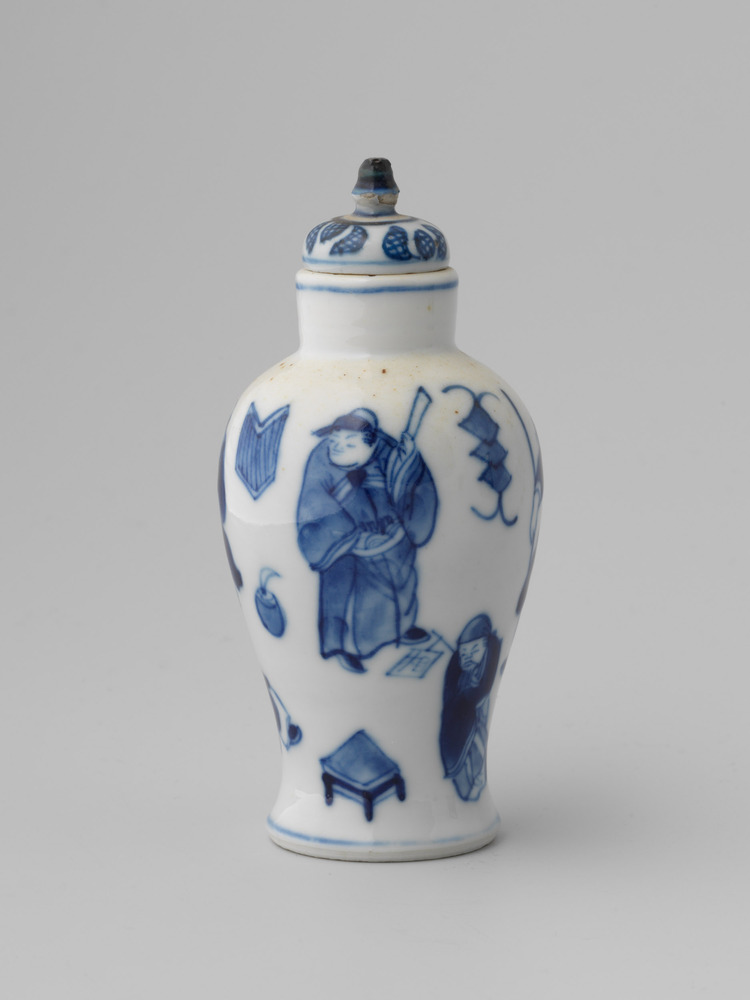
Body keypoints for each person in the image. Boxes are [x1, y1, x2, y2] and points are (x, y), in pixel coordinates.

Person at [297, 407, 438, 672]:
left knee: (401, 569)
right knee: (345, 581)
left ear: (371, 444)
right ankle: (343, 646)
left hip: (389, 533)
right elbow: (314, 507)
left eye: (350, 443)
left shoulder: (387, 449)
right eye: (335, 440)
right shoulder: (320, 459)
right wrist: (353, 537)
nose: (339, 447)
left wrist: (409, 461)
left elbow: (409, 483)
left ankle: (399, 627)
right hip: (343, 542)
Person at [439, 614, 501, 801]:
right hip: (459, 721)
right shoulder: (461, 674)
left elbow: (480, 695)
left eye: (474, 650)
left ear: (486, 647)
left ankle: (474, 790)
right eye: (463, 654)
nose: (468, 657)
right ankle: (469, 793)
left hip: (474, 722)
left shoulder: (484, 671)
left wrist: (472, 690)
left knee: (475, 754)